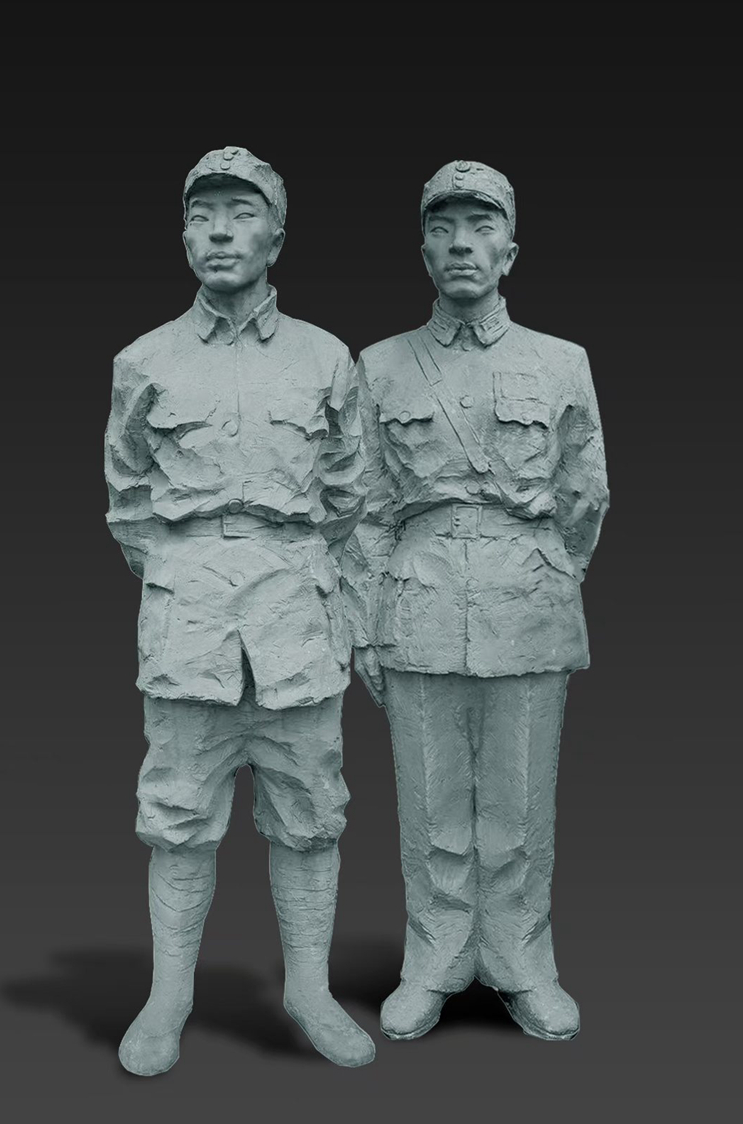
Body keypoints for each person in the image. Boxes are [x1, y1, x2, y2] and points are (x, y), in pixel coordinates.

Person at [105, 146, 374, 1074]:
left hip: (297, 618)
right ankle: (168, 996)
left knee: (312, 811)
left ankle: (310, 989)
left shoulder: (326, 356)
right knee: (177, 813)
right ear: (183, 235)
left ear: (277, 235)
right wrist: (188, 573)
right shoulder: (143, 360)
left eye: (240, 212)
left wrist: (289, 565)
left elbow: (351, 492)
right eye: (200, 215)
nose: (219, 232)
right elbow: (127, 501)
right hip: (188, 625)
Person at [343, 159, 609, 1042]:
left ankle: (522, 961)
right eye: (444, 228)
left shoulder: (561, 361)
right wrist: (365, 623)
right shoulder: (379, 366)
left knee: (521, 804)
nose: (462, 244)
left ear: (510, 250)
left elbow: (585, 494)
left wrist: (545, 574)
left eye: (481, 227)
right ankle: (436, 960)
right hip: (417, 601)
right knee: (429, 802)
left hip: (527, 596)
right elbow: (362, 507)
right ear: (423, 250)